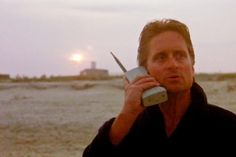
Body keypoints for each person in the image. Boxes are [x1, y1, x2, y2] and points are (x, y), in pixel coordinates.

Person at [82, 19, 236, 156]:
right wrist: (127, 114)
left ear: (192, 66)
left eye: (180, 55)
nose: (173, 65)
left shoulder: (226, 125)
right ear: (144, 71)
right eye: (161, 57)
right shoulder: (125, 127)